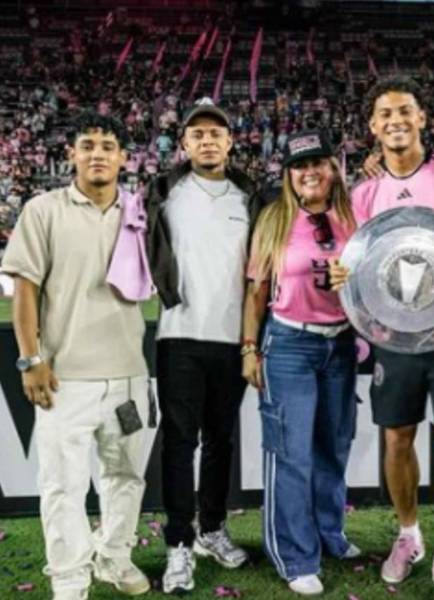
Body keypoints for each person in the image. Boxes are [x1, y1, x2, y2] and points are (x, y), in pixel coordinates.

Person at [330, 76, 434, 600]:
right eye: (385, 114)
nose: (395, 120)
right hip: (393, 337)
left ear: (422, 118)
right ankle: (408, 535)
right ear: (373, 127)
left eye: (405, 111)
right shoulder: (363, 191)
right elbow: (357, 268)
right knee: (397, 437)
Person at [2, 113, 151, 600]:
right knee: (64, 485)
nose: (97, 153)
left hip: (129, 375)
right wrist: (30, 359)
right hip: (65, 378)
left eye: (108, 145)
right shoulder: (43, 209)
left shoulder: (139, 211)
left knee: (125, 476)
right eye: (87, 145)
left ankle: (115, 558)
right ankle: (69, 580)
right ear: (71, 155)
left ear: (124, 157)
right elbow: (24, 289)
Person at [144, 99, 264, 594]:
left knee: (221, 443)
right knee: (179, 445)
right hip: (179, 336)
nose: (208, 140)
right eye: (198, 134)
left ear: (230, 141)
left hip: (233, 339)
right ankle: (177, 543)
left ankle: (211, 529)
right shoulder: (163, 191)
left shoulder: (251, 195)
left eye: (217, 132)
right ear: (184, 143)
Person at [241, 129, 359, 596]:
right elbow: (254, 292)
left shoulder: (355, 215)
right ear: (289, 175)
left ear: (333, 168)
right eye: (299, 166)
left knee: (333, 446)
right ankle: (294, 555)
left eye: (318, 163)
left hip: (342, 345)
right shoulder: (273, 220)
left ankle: (329, 534)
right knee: (291, 454)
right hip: (289, 343)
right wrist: (249, 348)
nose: (309, 172)